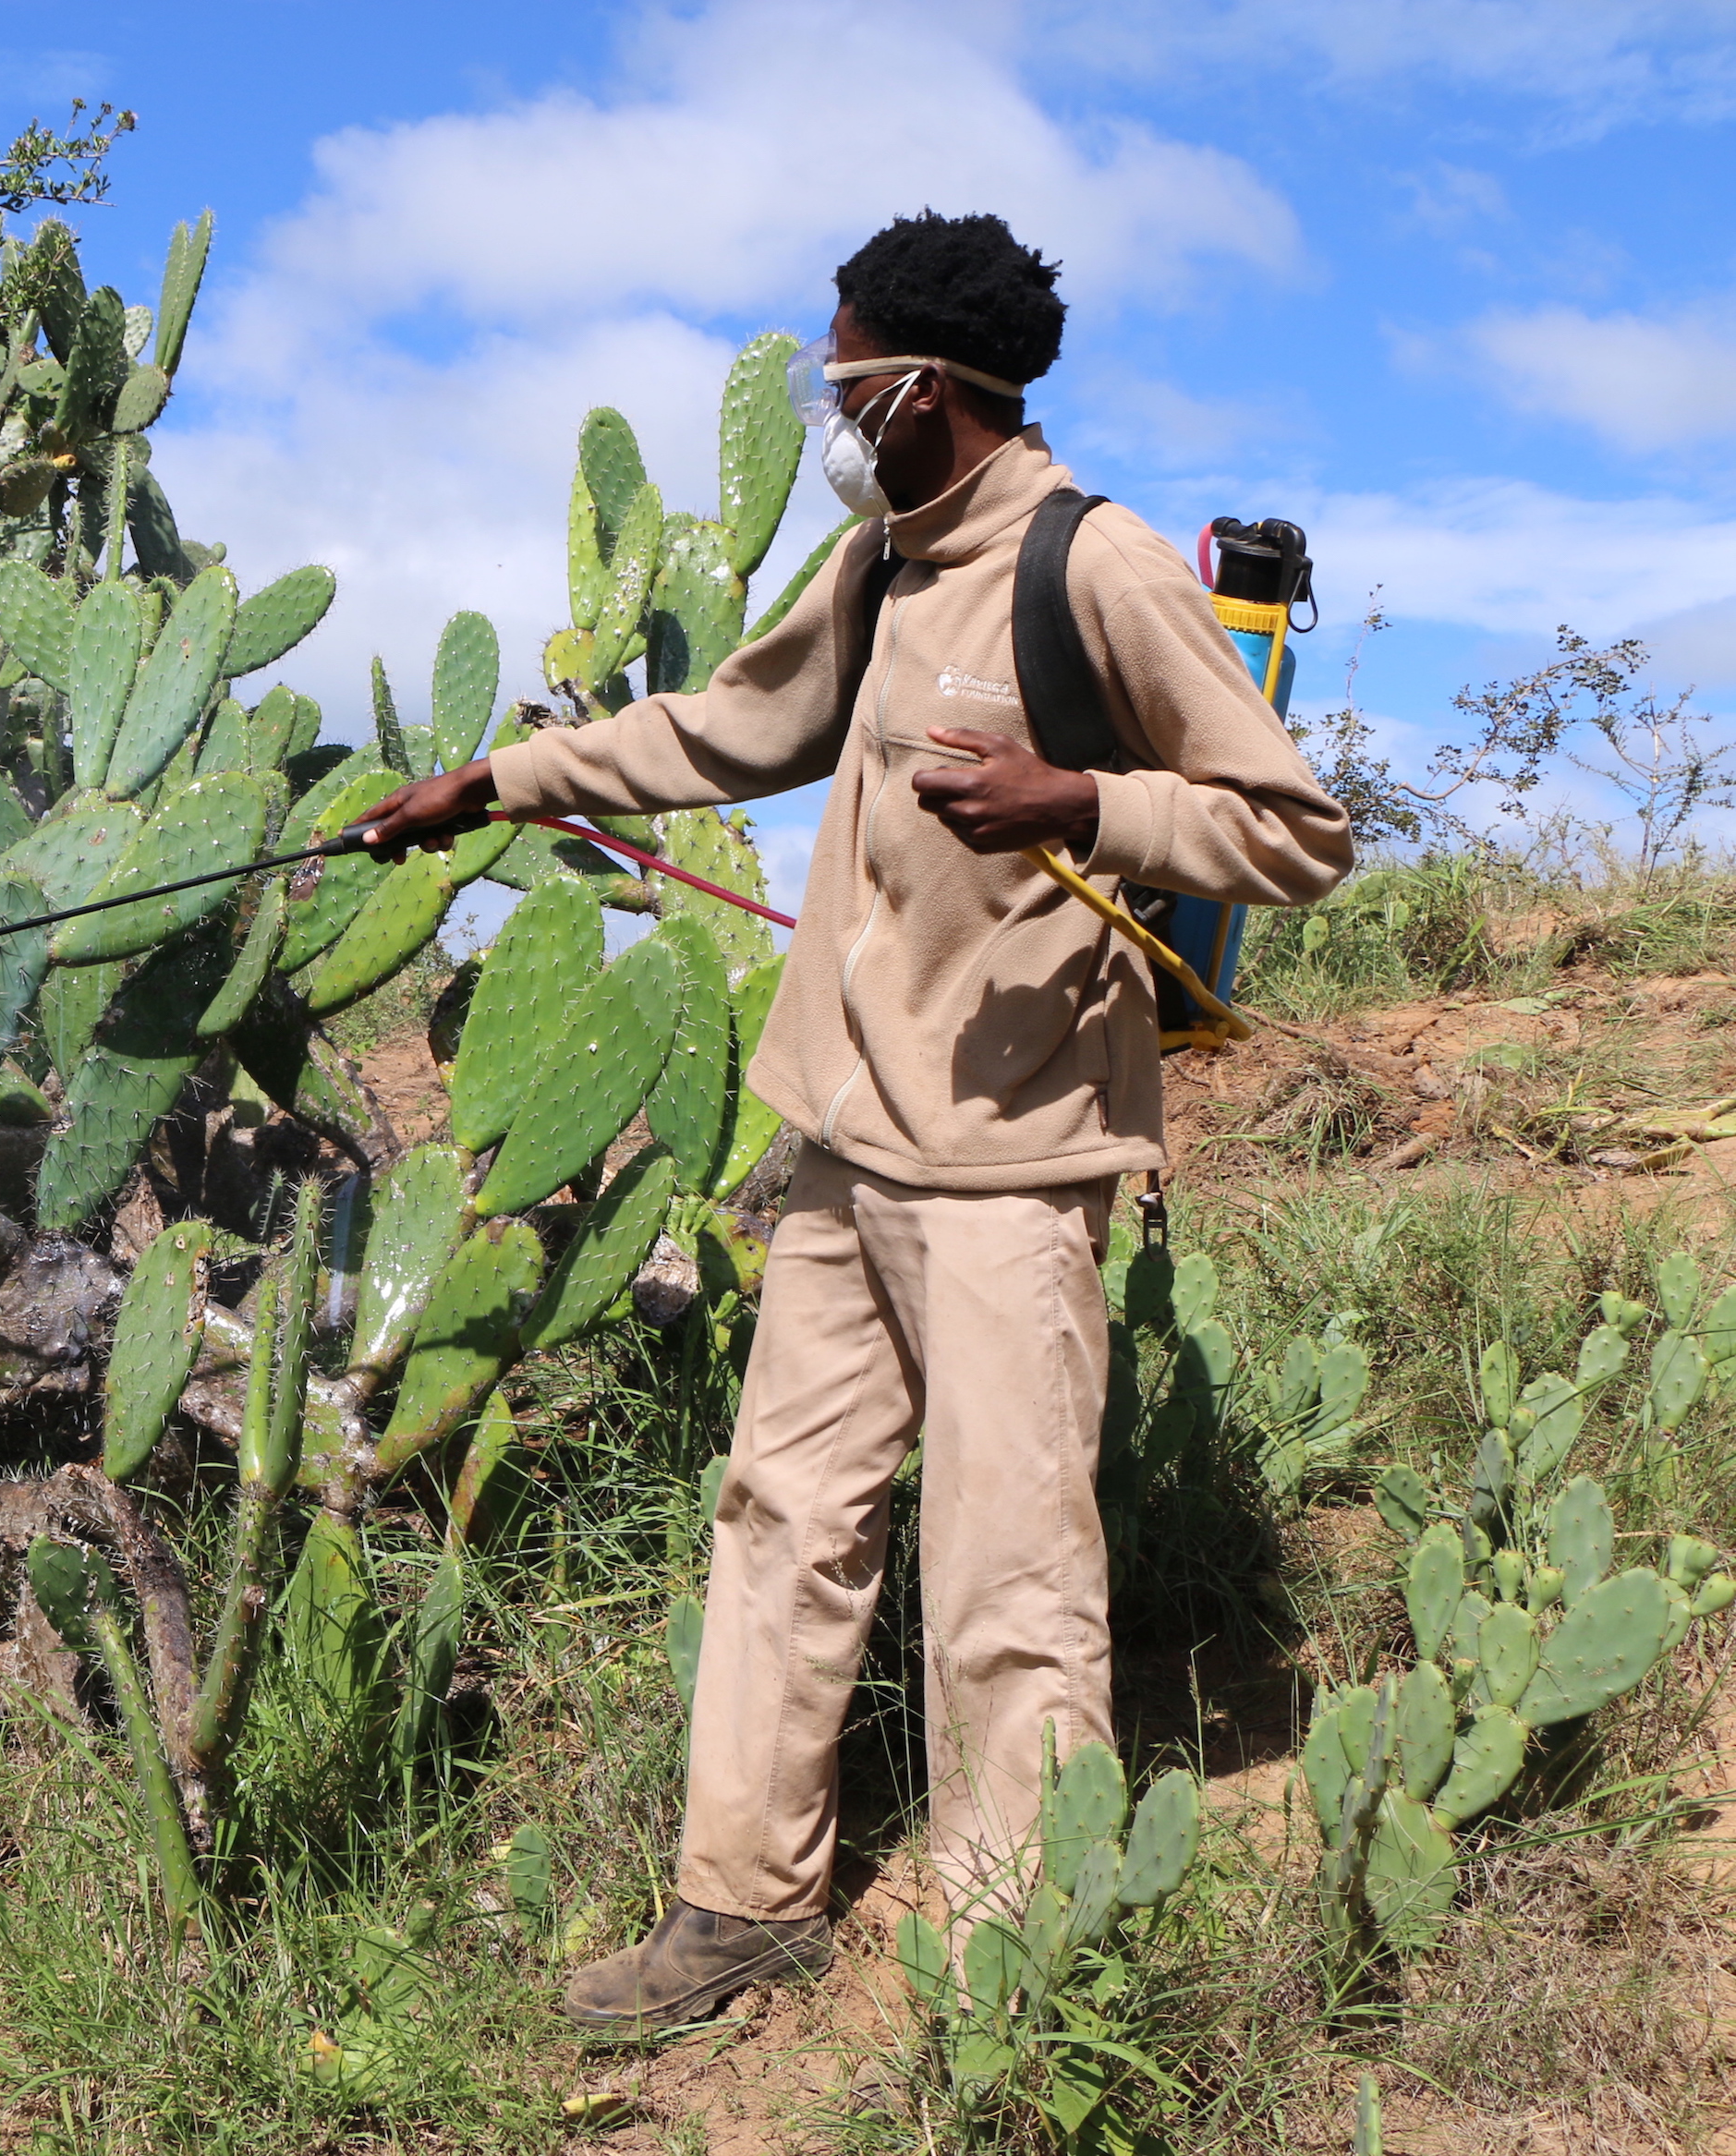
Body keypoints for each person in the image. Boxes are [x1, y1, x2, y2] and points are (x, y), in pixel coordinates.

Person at [358, 211, 1353, 2032]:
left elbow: (1295, 831)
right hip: (840, 1138)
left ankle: (1014, 1953)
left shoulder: (1093, 565)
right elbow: (728, 730)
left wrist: (1090, 798)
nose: (829, 407)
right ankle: (740, 1907)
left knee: (1006, 1563)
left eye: (842, 378)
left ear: (920, 390)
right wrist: (495, 783)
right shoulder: (882, 564)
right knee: (780, 1516)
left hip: (1008, 1163)